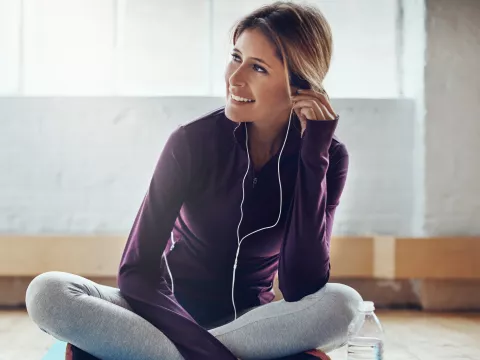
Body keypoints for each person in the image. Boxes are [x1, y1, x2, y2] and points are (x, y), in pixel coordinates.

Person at [25, 2, 362, 359]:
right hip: (161, 316)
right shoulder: (193, 141)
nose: (235, 78)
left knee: (345, 306)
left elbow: (300, 285)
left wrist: (314, 155)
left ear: (300, 83)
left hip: (252, 325)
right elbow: (137, 270)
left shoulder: (328, 157)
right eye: (236, 57)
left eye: (258, 68)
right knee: (48, 292)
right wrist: (198, 345)